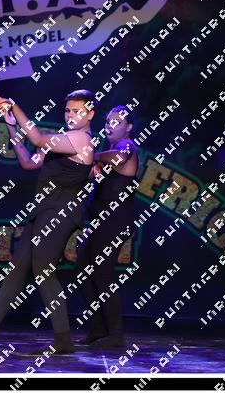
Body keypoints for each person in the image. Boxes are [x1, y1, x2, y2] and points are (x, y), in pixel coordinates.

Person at [0, 90, 96, 353]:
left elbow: (36, 138)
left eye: (77, 111)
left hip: (60, 212)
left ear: (90, 114)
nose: (70, 115)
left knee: (43, 270)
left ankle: (63, 339)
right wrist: (12, 127)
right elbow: (27, 162)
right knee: (17, 268)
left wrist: (15, 105)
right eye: (68, 110)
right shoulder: (64, 140)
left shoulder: (82, 139)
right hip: (43, 211)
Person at [77, 105, 139, 348]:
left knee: (103, 273)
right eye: (107, 121)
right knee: (83, 270)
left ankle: (116, 334)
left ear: (129, 127)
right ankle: (98, 327)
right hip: (101, 222)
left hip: (115, 221)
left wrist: (90, 154)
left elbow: (119, 157)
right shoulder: (107, 152)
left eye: (116, 122)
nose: (109, 126)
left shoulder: (126, 146)